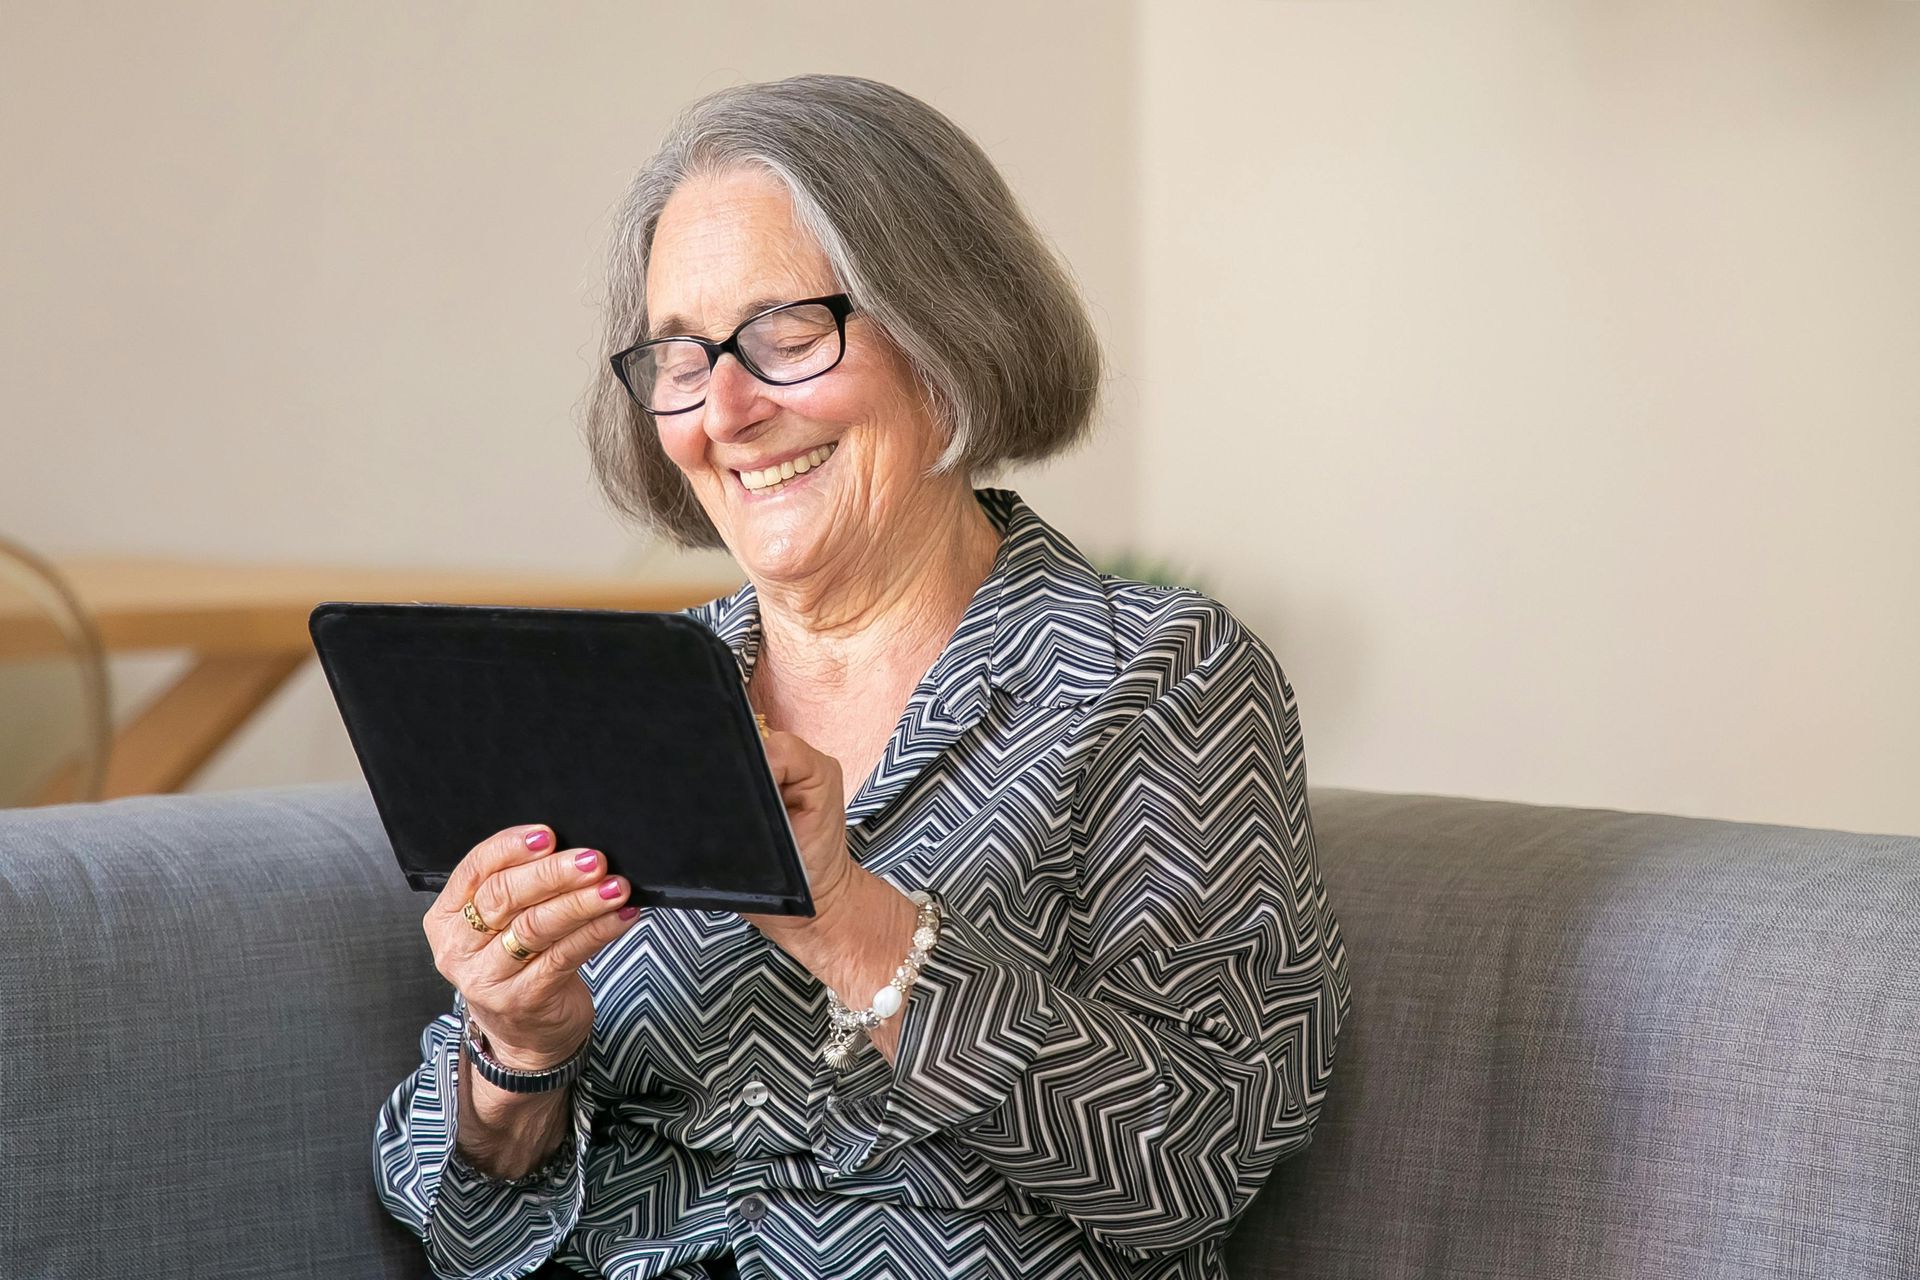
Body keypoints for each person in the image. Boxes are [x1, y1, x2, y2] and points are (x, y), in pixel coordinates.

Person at [374, 73, 1351, 1280]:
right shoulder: (648, 689)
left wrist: (854, 923)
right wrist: (516, 1053)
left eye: (785, 336)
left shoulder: (1155, 679)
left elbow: (1200, 1160)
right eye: (681, 356)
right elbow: (451, 1213)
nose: (725, 409)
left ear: (946, 340)